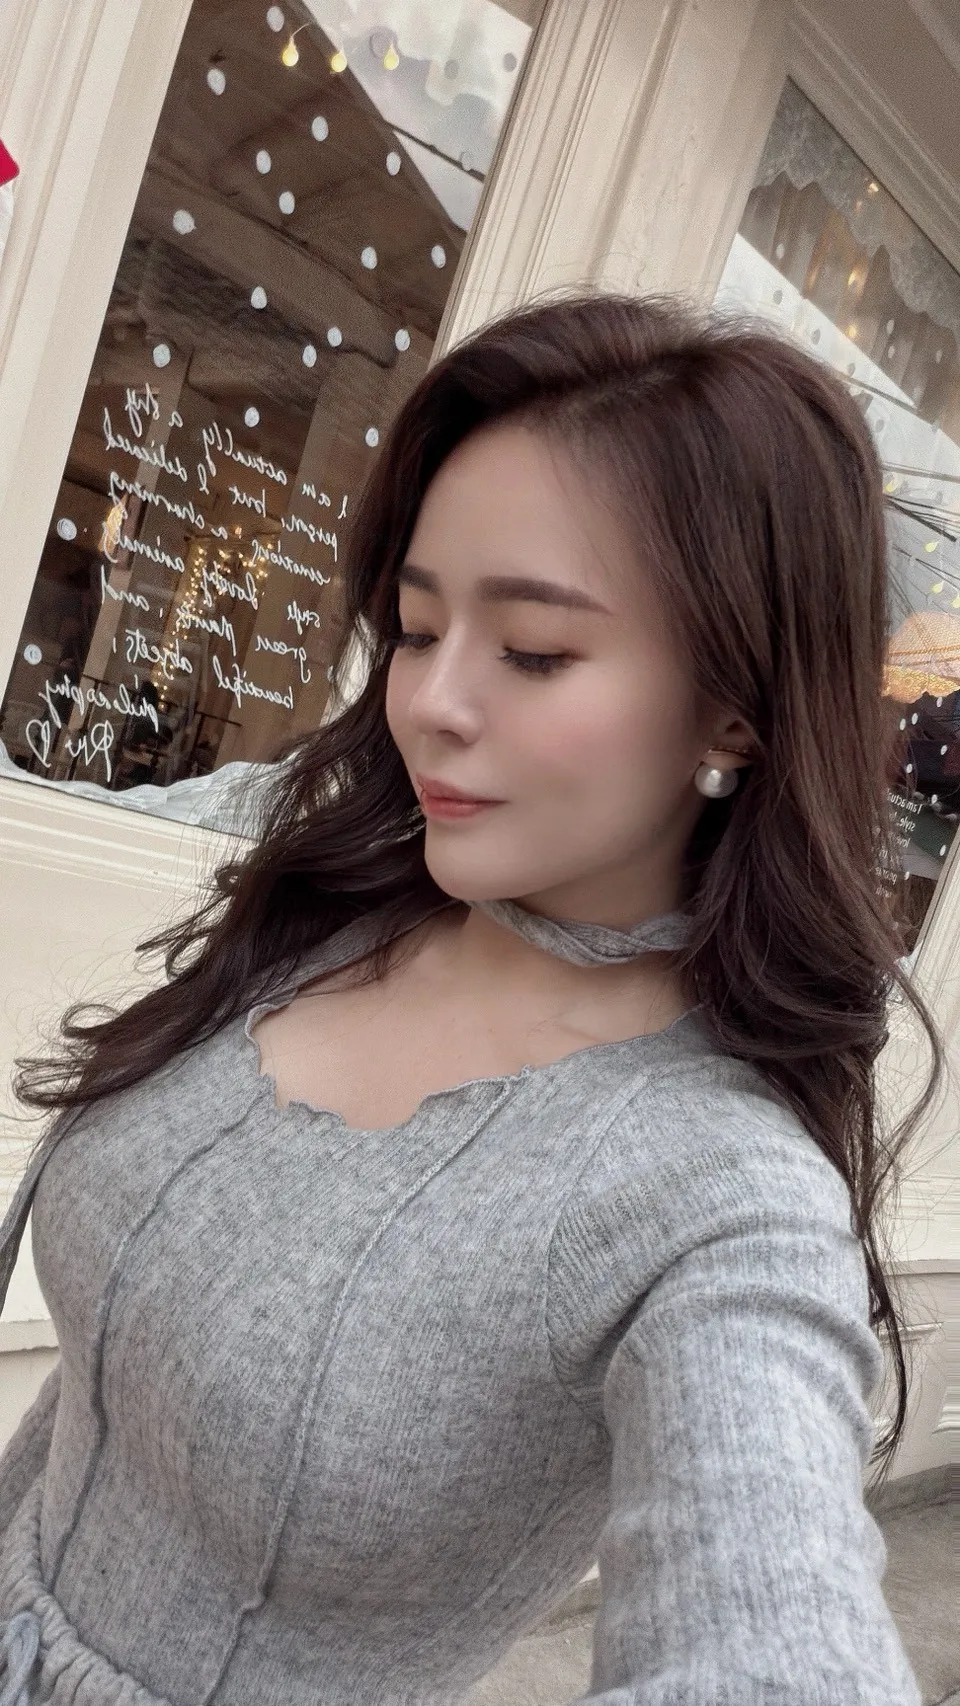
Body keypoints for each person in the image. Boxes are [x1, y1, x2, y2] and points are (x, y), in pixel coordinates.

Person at [0, 291, 941, 1705]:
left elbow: (772, 1627)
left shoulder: (719, 1197)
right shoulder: (337, 911)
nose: (429, 703)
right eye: (417, 624)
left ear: (737, 711)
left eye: (535, 651)